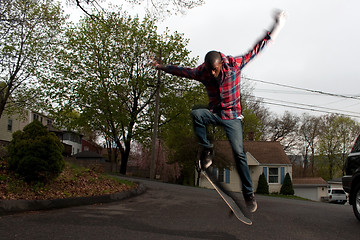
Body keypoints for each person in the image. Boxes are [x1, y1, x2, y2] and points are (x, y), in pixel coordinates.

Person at [151, 11, 287, 213]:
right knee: (197, 114)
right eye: (209, 70)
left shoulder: (234, 66)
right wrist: (161, 67)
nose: (212, 74)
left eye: (215, 70)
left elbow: (257, 49)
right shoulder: (202, 71)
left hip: (232, 118)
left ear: (221, 65)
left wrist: (278, 26)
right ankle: (207, 149)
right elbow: (183, 71)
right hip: (215, 113)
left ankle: (249, 195)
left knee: (239, 154)